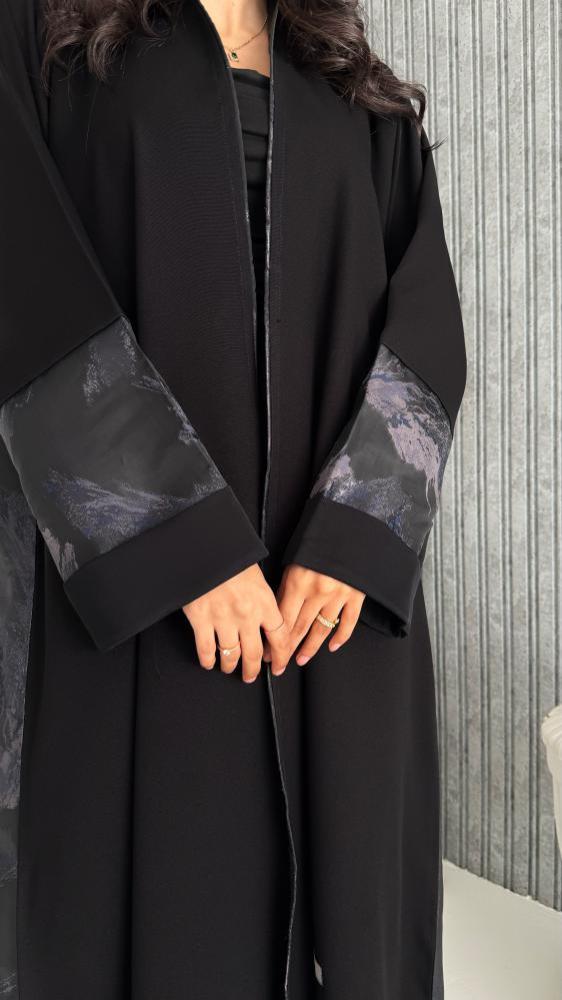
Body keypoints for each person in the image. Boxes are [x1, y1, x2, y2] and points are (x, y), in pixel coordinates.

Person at [0, 0, 467, 996]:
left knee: (357, 922)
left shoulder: (334, 60)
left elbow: (425, 311)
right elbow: (20, 271)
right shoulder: (45, 27)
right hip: (144, 604)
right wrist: (175, 536)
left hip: (330, 601)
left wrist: (358, 534)